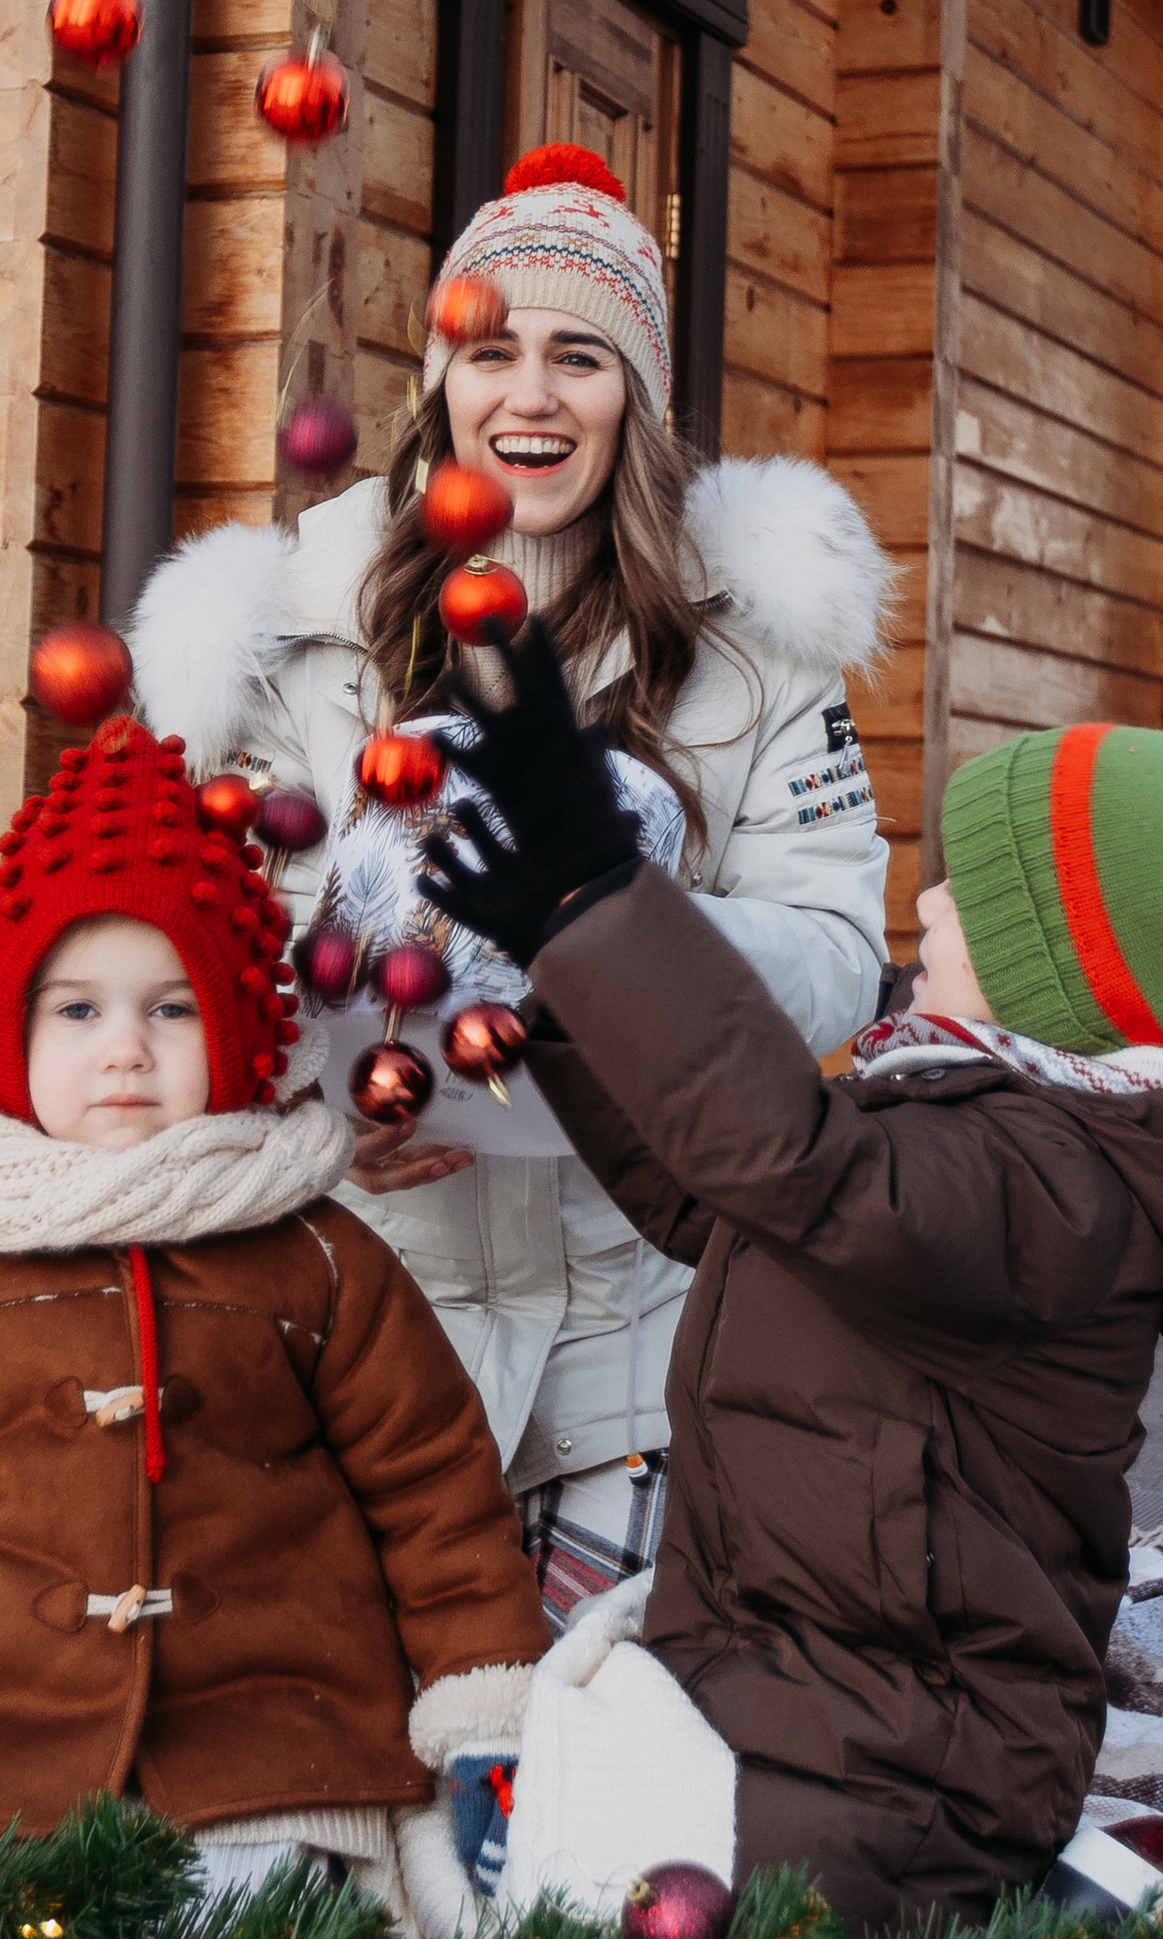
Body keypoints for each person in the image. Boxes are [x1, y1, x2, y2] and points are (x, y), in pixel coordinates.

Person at [422, 640, 1163, 1934]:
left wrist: (601, 902)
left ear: (1062, 986)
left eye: (974, 898)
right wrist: (570, 995)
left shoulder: (1056, 1190)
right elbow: (725, 1200)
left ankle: (1055, 1927)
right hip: (793, 1678)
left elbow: (795, 1164)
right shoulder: (978, 1108)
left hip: (910, 1757)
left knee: (587, 1911)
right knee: (539, 1823)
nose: (933, 902)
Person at [131, 142, 891, 1626]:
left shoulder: (755, 652)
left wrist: (606, 929)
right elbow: (193, 949)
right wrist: (314, 1104)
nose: (529, 396)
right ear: (442, 384)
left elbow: (835, 956)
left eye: (579, 358)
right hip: (359, 1317)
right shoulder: (292, 636)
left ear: (636, 402)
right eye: (492, 352)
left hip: (640, 1343)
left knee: (606, 1733)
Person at [0, 718, 548, 1939]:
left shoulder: (319, 1260)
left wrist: (484, 1713)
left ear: (240, 1030)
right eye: (76, 1010)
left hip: (266, 1748)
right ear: (3, 1034)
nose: (125, 1049)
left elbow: (436, 1498)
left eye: (171, 1009)